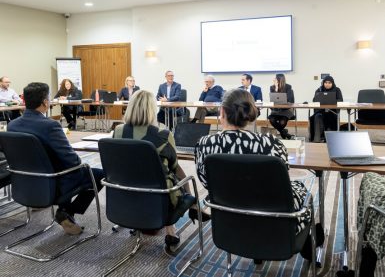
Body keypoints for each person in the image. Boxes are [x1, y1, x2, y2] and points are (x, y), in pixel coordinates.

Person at [195, 88, 310, 236]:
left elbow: (205, 180)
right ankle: (308, 240)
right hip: (269, 213)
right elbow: (281, 180)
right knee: (302, 190)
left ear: (222, 112)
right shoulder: (271, 143)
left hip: (227, 209)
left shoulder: (204, 144)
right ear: (251, 113)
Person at [113, 90, 210, 247]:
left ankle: (182, 215)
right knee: (173, 172)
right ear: (153, 109)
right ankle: (186, 213)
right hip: (158, 195)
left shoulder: (118, 131)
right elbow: (173, 166)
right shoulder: (162, 134)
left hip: (126, 192)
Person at [8, 82, 104, 235]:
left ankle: (65, 212)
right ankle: (67, 211)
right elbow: (72, 160)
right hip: (53, 182)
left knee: (62, 166)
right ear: (46, 102)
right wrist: (81, 164)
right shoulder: (50, 126)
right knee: (98, 174)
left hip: (24, 182)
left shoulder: (12, 125)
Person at [309, 75, 343, 142]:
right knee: (317, 116)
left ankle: (331, 137)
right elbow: (314, 100)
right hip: (321, 111)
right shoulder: (319, 90)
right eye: (326, 82)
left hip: (332, 112)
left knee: (329, 116)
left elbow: (340, 100)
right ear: (323, 83)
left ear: (332, 83)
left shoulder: (337, 90)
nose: (327, 84)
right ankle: (317, 138)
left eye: (329, 83)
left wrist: (332, 101)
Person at [268, 73, 295, 139]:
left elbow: (289, 99)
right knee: (272, 119)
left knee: (282, 122)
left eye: (275, 78)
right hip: (275, 110)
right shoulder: (272, 87)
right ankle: (284, 132)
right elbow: (273, 99)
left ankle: (282, 132)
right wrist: (276, 89)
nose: (274, 79)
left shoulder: (288, 87)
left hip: (286, 110)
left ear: (279, 79)